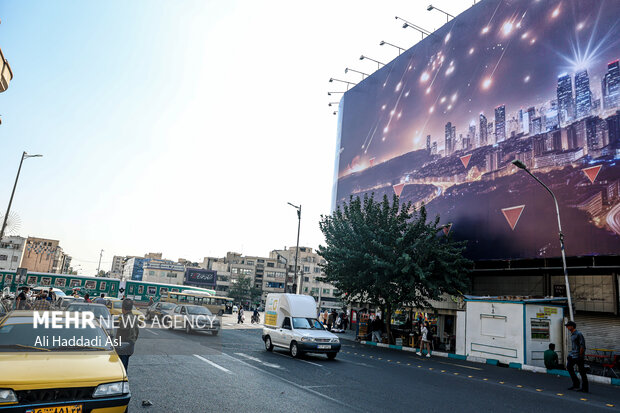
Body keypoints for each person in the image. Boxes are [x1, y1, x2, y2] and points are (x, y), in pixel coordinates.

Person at [115, 299, 140, 372]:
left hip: (123, 347)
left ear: (123, 308)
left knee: (121, 368)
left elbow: (120, 334)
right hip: (130, 345)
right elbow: (137, 332)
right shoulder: (134, 317)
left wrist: (116, 345)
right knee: (125, 365)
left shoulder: (126, 319)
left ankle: (122, 382)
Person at [565, 321, 588, 392]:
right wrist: (570, 355)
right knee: (569, 367)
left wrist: (580, 355)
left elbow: (582, 346)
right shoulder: (572, 334)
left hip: (578, 356)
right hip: (573, 355)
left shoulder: (578, 334)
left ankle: (585, 388)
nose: (567, 327)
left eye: (568, 326)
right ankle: (576, 384)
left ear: (572, 326)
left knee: (582, 372)